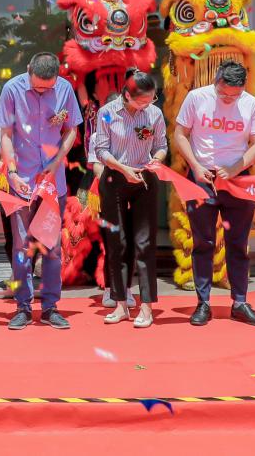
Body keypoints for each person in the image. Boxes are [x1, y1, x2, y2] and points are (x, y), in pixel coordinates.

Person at [174, 61, 255, 327]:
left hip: (237, 179)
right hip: (201, 178)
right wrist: (196, 166)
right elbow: (180, 134)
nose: (228, 99)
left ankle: (240, 302)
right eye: (223, 93)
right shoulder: (197, 98)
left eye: (234, 95)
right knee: (203, 242)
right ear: (216, 82)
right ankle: (203, 303)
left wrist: (236, 168)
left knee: (237, 242)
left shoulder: (251, 104)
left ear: (243, 88)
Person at [0, 51, 83, 330]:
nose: (42, 91)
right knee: (21, 246)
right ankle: (22, 307)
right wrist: (11, 172)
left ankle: (50, 307)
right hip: (21, 180)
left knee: (51, 247)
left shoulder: (65, 89)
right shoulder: (12, 89)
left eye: (47, 88)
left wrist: (57, 163)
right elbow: (5, 134)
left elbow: (71, 130)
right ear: (28, 69)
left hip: (52, 182)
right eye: (37, 87)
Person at [92, 70, 166, 328]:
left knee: (145, 243)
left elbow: (161, 145)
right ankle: (121, 304)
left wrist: (156, 160)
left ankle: (146, 307)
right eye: (142, 100)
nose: (147, 104)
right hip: (115, 178)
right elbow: (101, 149)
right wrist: (124, 169)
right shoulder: (107, 113)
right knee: (117, 242)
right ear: (126, 95)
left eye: (151, 99)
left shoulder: (154, 114)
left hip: (145, 178)